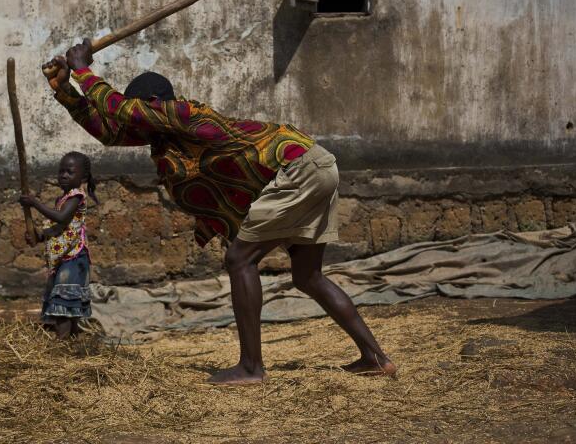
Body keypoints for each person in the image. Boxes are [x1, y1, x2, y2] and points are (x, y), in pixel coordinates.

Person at [41, 40, 396, 384]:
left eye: (140, 112)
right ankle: (376, 359)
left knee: (240, 259)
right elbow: (110, 131)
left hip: (297, 168)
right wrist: (64, 90)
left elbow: (121, 110)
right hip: (307, 167)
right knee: (308, 277)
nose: (135, 125)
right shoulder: (167, 140)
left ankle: (251, 367)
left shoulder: (186, 114)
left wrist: (83, 70)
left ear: (153, 104)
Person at [19, 151, 97, 339]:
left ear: (83, 177)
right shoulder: (61, 199)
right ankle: (72, 341)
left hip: (74, 258)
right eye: (61, 171)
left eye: (69, 172)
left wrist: (34, 203)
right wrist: (38, 236)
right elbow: (58, 228)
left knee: (65, 301)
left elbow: (61, 217)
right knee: (68, 301)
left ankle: (62, 346)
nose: (63, 175)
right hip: (64, 259)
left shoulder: (76, 197)